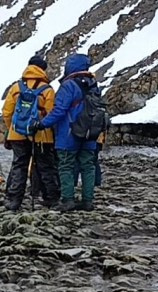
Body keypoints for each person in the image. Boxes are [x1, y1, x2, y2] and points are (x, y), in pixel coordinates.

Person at [29, 54, 102, 212]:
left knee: (66, 166)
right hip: (90, 133)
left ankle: (68, 200)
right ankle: (88, 201)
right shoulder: (93, 85)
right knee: (88, 166)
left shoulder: (68, 85)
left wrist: (42, 124)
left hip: (69, 134)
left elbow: (59, 110)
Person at [1, 55, 59, 211]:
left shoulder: (16, 87)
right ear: (43, 69)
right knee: (45, 166)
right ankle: (51, 198)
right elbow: (51, 114)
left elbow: (6, 112)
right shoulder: (47, 90)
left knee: (19, 165)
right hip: (41, 135)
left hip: (17, 135)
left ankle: (13, 199)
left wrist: (12, 129)